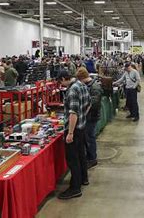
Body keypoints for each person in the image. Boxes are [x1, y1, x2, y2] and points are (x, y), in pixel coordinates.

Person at [57, 69, 91, 200]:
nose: (61, 85)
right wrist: (82, 117)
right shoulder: (82, 85)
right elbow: (88, 104)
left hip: (74, 129)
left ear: (65, 78)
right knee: (81, 155)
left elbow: (73, 113)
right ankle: (84, 179)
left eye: (61, 82)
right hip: (81, 127)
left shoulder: (72, 90)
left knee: (73, 159)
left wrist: (70, 132)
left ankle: (75, 188)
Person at [77, 67, 102, 169]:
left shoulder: (95, 87)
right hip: (87, 116)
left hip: (92, 116)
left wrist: (83, 104)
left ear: (83, 77)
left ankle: (92, 159)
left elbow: (94, 103)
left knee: (89, 138)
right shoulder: (87, 85)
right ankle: (89, 157)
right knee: (87, 137)